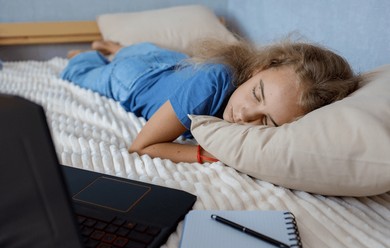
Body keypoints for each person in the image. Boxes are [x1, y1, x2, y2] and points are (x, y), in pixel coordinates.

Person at [61, 39, 360, 163]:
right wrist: (210, 156)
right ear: (259, 68)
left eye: (267, 121)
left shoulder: (227, 82)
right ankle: (90, 54)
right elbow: (141, 147)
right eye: (257, 94)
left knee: (143, 53)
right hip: (135, 80)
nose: (244, 115)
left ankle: (121, 47)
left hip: (173, 64)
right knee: (79, 71)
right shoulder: (213, 81)